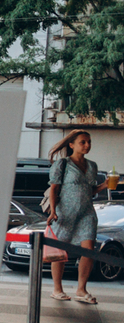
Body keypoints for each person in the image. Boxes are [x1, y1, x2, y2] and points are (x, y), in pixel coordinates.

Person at [47, 129, 104, 304]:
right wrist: (53, 210)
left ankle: (81, 289)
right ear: (71, 145)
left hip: (87, 212)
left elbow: (90, 190)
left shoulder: (92, 166)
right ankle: (57, 289)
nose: (87, 145)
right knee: (60, 251)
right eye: (83, 142)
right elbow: (54, 189)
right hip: (65, 211)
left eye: (89, 142)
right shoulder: (62, 164)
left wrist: (106, 186)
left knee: (89, 250)